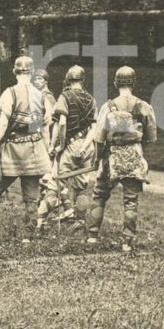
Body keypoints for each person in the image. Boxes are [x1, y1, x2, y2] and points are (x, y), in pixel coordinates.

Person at [0, 55, 51, 244]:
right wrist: (46, 151)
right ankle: (27, 238)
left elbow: (2, 124)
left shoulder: (10, 93)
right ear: (31, 73)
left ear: (15, 71)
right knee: (31, 198)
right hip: (33, 150)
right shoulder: (42, 95)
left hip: (11, 151)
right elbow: (45, 126)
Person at [84, 66, 157, 253]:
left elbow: (99, 138)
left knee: (99, 195)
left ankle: (92, 236)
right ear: (134, 83)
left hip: (112, 158)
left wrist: (98, 159)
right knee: (131, 200)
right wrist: (136, 150)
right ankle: (127, 242)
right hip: (134, 157)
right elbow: (150, 137)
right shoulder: (144, 106)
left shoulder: (107, 107)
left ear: (115, 83)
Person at [37, 65, 97, 233]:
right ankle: (79, 221)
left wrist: (58, 145)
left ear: (68, 80)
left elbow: (61, 123)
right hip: (87, 147)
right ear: (83, 80)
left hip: (69, 146)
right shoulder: (91, 99)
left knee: (54, 185)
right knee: (81, 188)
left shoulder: (65, 96)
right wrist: (85, 147)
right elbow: (94, 129)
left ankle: (39, 223)